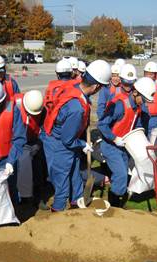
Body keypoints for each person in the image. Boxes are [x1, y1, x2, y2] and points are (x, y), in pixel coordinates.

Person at [42, 60, 111, 211]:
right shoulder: (76, 108)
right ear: (96, 86)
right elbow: (68, 140)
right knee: (62, 184)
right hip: (59, 144)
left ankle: (77, 203)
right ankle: (58, 213)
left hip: (65, 139)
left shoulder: (75, 86)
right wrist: (83, 145)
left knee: (75, 176)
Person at [98, 77, 155, 207]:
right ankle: (114, 205)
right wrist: (114, 138)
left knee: (123, 174)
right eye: (144, 99)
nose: (145, 103)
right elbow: (102, 124)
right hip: (111, 146)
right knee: (121, 174)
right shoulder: (119, 105)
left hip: (123, 146)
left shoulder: (138, 107)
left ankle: (117, 200)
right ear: (135, 93)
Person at [13, 90, 47, 207]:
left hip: (34, 140)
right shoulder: (14, 104)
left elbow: (43, 127)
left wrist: (40, 141)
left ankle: (39, 195)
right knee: (23, 163)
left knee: (39, 165)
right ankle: (23, 196)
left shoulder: (41, 107)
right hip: (17, 142)